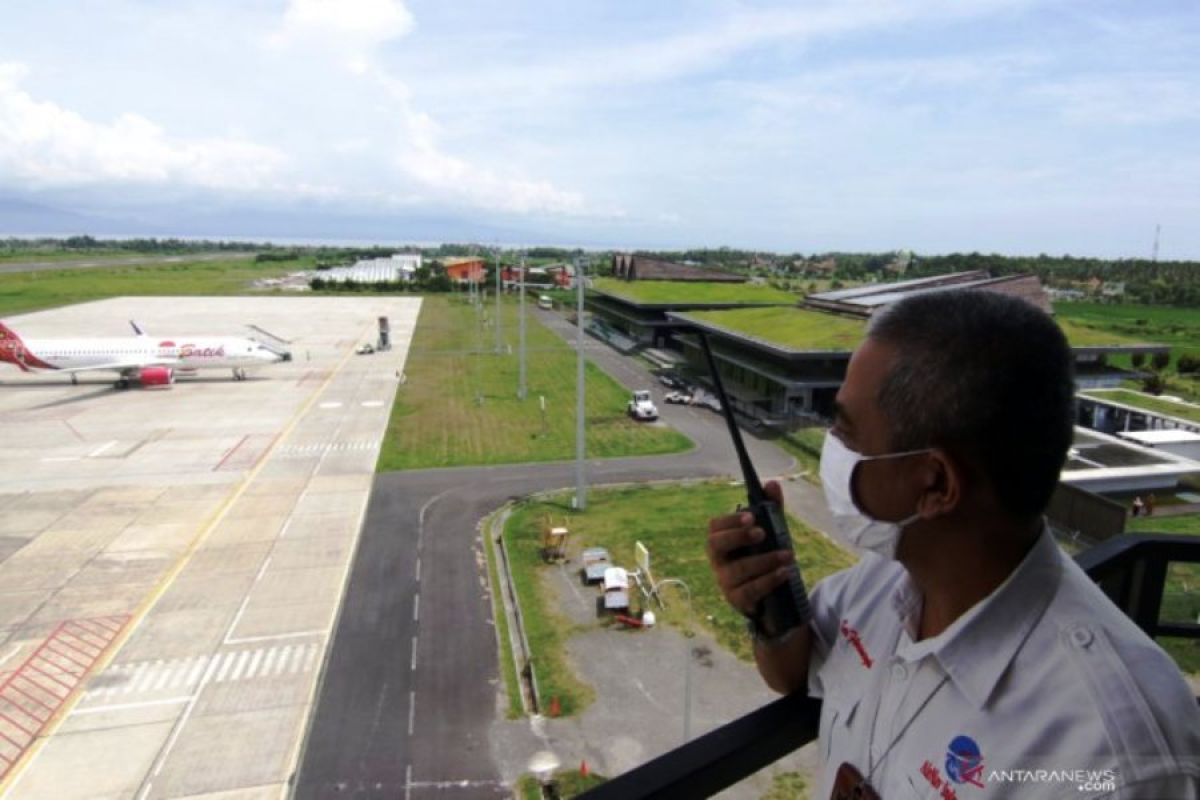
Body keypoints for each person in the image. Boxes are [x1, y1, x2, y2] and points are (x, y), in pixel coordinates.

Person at [707, 290, 1199, 798]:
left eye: (847, 432)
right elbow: (793, 671)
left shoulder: (1116, 760)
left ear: (936, 485)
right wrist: (769, 603)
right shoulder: (882, 581)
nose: (831, 444)